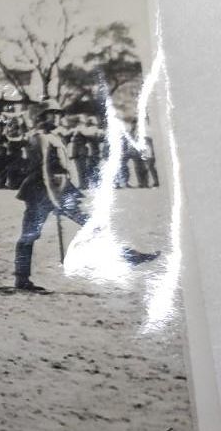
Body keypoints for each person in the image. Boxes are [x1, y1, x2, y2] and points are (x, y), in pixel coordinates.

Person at [13, 104, 158, 291]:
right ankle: (21, 278)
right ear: (42, 117)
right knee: (29, 235)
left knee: (93, 223)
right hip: (41, 190)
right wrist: (54, 199)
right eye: (52, 114)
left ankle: (129, 256)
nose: (57, 118)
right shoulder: (39, 137)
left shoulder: (53, 136)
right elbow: (44, 170)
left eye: (59, 114)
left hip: (62, 188)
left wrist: (63, 192)